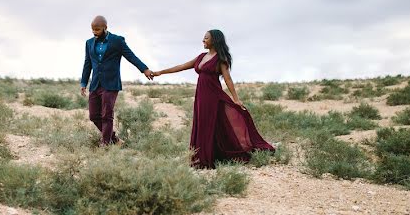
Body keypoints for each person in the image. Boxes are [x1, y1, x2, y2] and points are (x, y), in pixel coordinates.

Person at [152, 29, 274, 168]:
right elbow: (181, 67)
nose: (203, 40)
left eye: (206, 38)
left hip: (213, 96)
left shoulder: (221, 59)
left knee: (209, 124)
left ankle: (206, 160)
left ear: (214, 40)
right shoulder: (201, 57)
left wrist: (236, 98)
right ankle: (200, 158)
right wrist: (160, 72)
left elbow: (227, 79)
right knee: (202, 123)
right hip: (200, 96)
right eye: (203, 38)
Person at [81, 15, 155, 145]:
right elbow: (87, 63)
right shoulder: (89, 43)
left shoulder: (117, 41)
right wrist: (83, 83)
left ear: (105, 28)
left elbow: (131, 56)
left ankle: (105, 144)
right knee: (93, 116)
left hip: (111, 84)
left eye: (97, 29)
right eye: (93, 30)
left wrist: (144, 69)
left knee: (106, 115)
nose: (94, 32)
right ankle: (114, 139)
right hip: (95, 84)